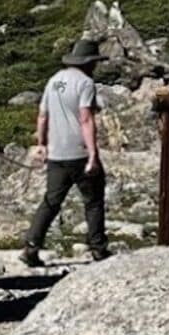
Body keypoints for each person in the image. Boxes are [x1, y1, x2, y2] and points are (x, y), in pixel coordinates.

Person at [20, 37, 109, 267]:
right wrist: (93, 154)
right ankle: (98, 248)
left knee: (51, 201)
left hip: (56, 153)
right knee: (93, 200)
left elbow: (42, 115)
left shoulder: (54, 81)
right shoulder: (85, 83)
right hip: (78, 152)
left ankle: (31, 246)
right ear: (89, 62)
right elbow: (86, 119)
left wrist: (42, 144)